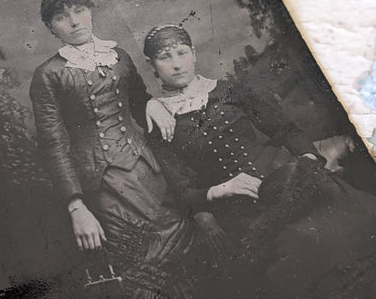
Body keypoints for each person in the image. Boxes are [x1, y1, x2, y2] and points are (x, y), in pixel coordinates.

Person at [143, 24, 376, 298]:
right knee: (299, 245)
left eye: (182, 53)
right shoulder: (159, 121)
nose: (177, 64)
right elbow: (183, 194)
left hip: (289, 182)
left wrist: (309, 161)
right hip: (243, 210)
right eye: (165, 58)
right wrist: (222, 189)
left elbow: (285, 130)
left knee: (353, 218)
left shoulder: (231, 90)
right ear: (152, 66)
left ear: (193, 53)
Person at [29, 0, 197, 298]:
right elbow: (52, 144)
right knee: (137, 259)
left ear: (90, 11)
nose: (75, 22)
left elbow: (139, 100)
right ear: (52, 28)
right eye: (62, 18)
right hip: (102, 183)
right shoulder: (48, 75)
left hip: (148, 170)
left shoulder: (118, 55)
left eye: (79, 11)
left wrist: (151, 105)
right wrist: (76, 206)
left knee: (181, 247)